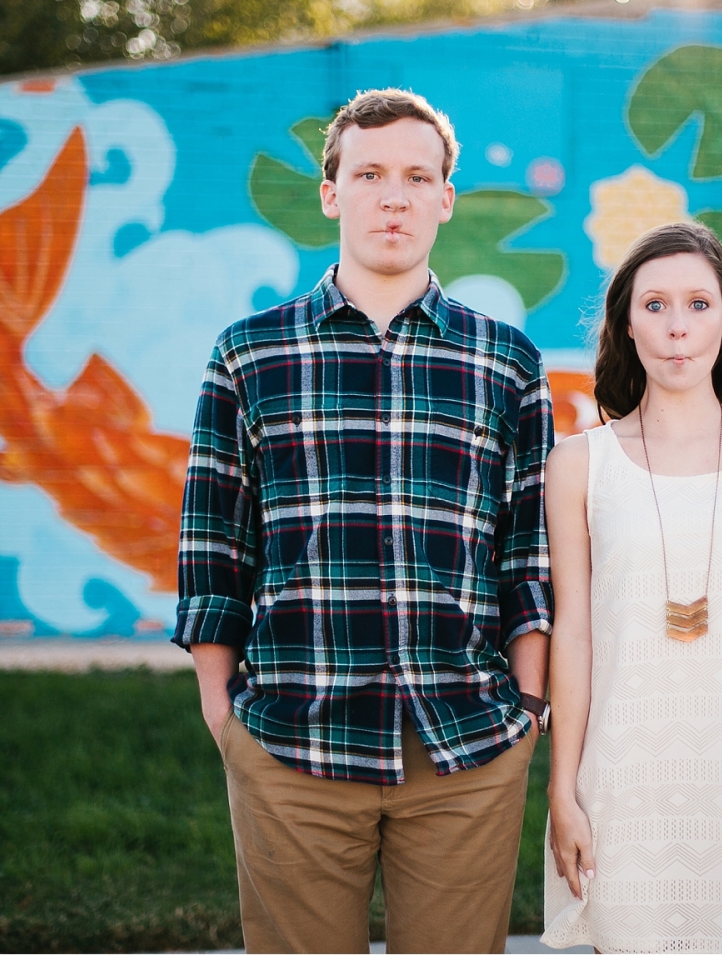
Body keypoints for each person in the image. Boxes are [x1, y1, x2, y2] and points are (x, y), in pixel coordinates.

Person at [174, 89, 553, 954]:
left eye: (418, 176)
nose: (394, 196)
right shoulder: (250, 353)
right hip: (290, 736)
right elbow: (213, 544)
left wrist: (530, 704)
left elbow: (529, 551)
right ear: (331, 192)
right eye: (370, 173)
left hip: (467, 741)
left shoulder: (506, 361)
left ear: (445, 199)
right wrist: (221, 713)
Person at [541, 222, 722, 953]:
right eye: (654, 305)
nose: (677, 329)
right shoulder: (578, 465)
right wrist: (562, 788)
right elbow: (573, 630)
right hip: (622, 773)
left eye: (698, 304)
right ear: (626, 325)